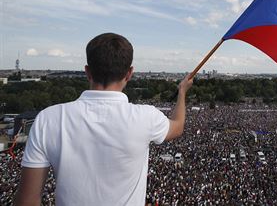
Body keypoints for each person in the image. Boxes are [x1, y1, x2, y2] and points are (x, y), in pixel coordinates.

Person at [13, 33, 193, 206]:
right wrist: (182, 92)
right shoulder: (145, 117)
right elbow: (177, 127)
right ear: (129, 73)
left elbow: (27, 201)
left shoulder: (48, 119)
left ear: (87, 71)